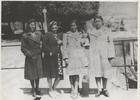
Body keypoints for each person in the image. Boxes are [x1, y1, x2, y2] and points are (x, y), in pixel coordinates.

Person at [88, 16, 115, 97]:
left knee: (105, 72)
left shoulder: (107, 31)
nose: (97, 23)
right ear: (94, 23)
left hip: (105, 54)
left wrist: (110, 56)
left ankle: (105, 89)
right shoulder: (91, 32)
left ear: (102, 22)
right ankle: (99, 89)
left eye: (99, 21)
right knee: (97, 72)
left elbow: (110, 43)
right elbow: (86, 41)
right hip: (95, 54)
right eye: (96, 21)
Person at [63, 20, 88, 99]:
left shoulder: (80, 34)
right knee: (71, 74)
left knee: (77, 73)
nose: (73, 27)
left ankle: (76, 89)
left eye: (74, 25)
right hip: (70, 56)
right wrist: (65, 57)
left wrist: (84, 39)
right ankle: (72, 88)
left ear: (77, 26)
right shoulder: (66, 34)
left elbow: (84, 44)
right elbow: (64, 47)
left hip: (78, 56)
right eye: (71, 26)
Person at [21, 19, 43, 97]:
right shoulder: (25, 35)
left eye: (34, 24)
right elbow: (23, 48)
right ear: (28, 25)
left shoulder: (39, 34)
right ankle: (33, 89)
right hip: (30, 57)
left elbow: (43, 43)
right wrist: (29, 54)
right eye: (31, 24)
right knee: (31, 74)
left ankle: (37, 88)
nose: (33, 26)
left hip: (38, 55)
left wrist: (41, 50)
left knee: (37, 73)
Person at [42, 21, 63, 98]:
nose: (54, 28)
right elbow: (44, 45)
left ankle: (54, 88)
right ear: (50, 28)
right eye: (53, 27)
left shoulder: (59, 35)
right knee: (50, 74)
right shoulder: (47, 35)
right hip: (49, 57)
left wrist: (61, 42)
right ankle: (50, 90)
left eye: (56, 26)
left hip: (58, 57)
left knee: (59, 75)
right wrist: (49, 51)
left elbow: (63, 42)